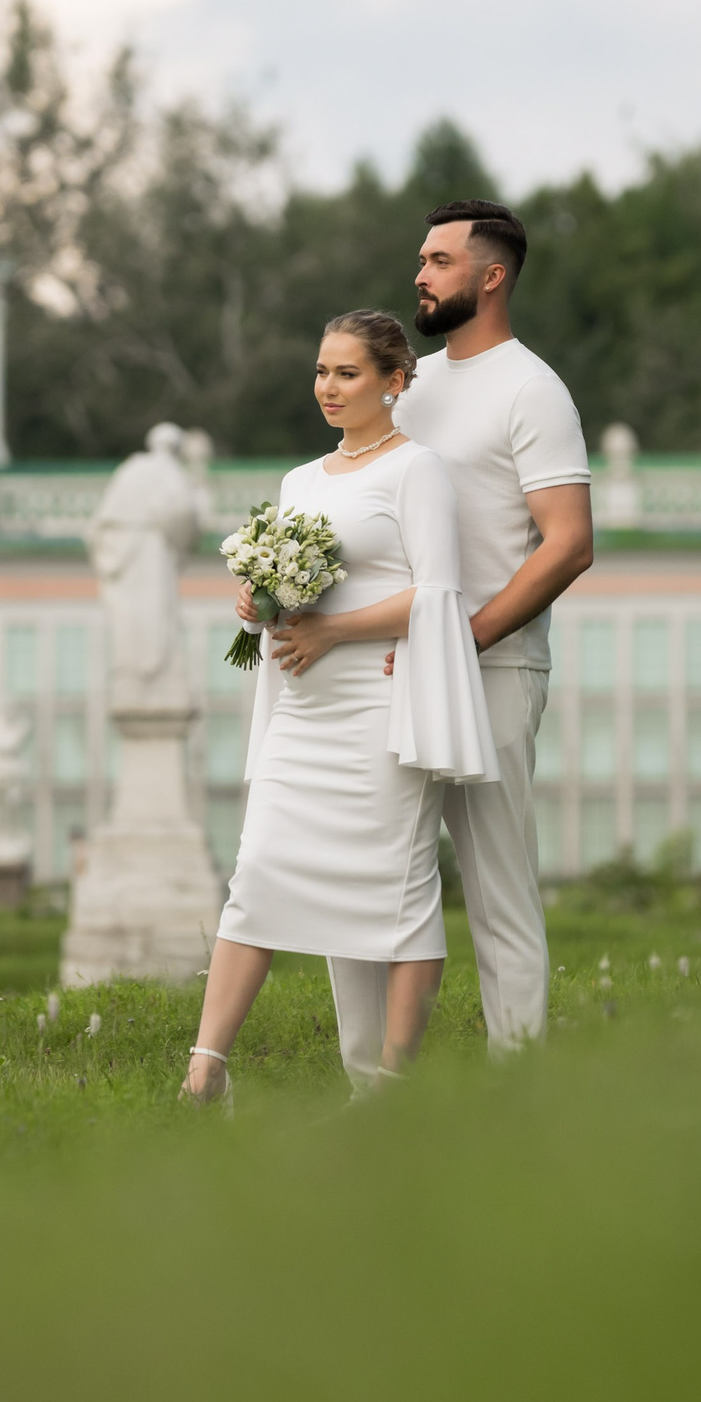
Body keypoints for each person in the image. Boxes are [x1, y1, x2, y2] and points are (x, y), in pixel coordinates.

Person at [181, 311, 497, 1105]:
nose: (328, 386)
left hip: (380, 711)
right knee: (254, 877)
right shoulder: (300, 481)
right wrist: (258, 601)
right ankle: (205, 1068)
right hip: (303, 712)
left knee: (397, 895)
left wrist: (334, 632)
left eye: (347, 373)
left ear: (394, 381)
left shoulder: (417, 471)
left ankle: (390, 1086)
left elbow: (436, 593)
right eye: (322, 371)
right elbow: (290, 603)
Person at [329, 200, 595, 1087]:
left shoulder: (533, 388)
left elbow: (569, 541)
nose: (420, 275)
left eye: (439, 261)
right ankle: (372, 1092)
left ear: (492, 276)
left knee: (498, 893)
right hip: (389, 668)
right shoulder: (411, 384)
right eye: (420, 259)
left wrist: (464, 637)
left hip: (494, 671)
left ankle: (516, 1094)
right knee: (366, 879)